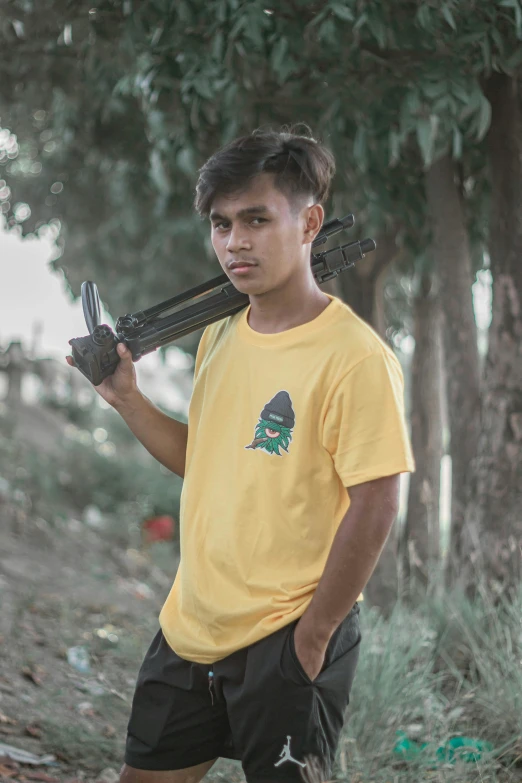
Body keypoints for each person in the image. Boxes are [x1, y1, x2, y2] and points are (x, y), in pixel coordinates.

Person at [67, 128, 415, 783]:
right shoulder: (222, 335)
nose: (235, 241)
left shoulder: (355, 358)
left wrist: (312, 639)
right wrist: (127, 399)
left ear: (310, 221)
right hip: (191, 624)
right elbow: (209, 458)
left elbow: (377, 501)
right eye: (222, 224)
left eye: (256, 219)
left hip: (286, 638)